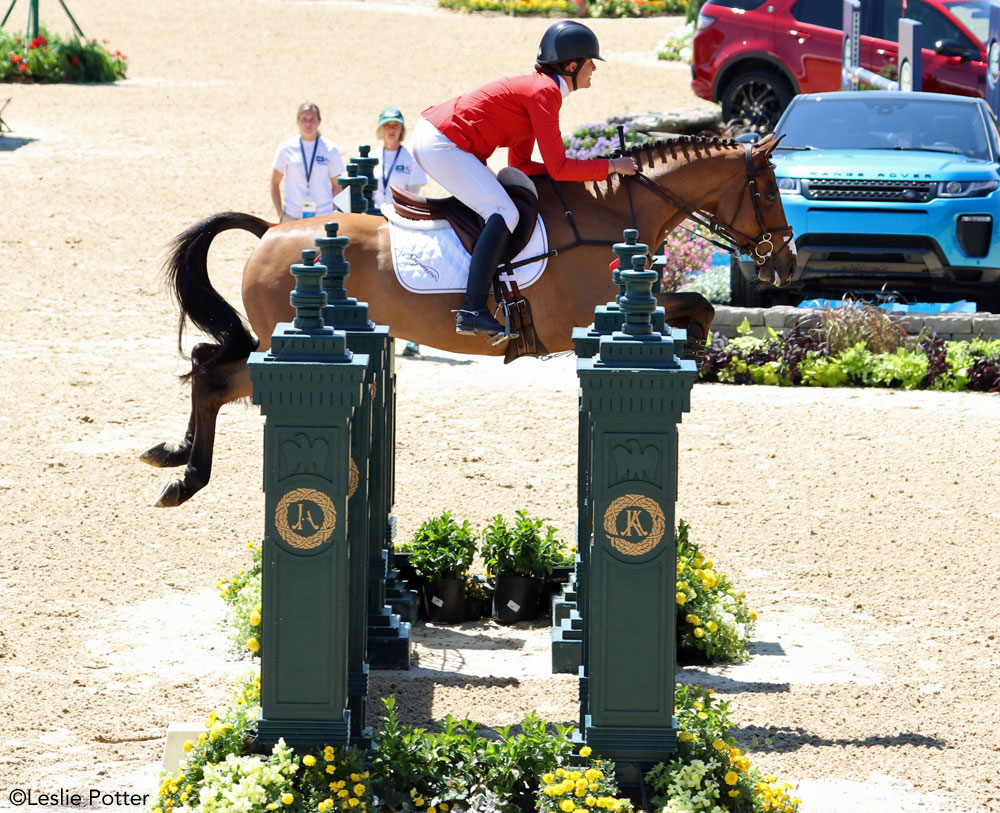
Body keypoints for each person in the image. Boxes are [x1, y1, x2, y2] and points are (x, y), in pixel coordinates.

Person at [412, 20, 637, 340]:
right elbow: (558, 167)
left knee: (501, 206)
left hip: (442, 140)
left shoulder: (538, 89)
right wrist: (612, 165)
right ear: (571, 66)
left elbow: (520, 163)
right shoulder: (545, 92)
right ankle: (472, 309)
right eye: (590, 63)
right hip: (443, 143)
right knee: (504, 212)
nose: (594, 70)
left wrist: (578, 175)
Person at [373, 107, 427, 358]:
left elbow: (415, 195)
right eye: (387, 125)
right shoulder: (372, 157)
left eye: (395, 125)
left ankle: (414, 339)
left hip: (400, 223)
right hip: (373, 225)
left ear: (401, 129)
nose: (391, 129)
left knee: (408, 277)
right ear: (381, 129)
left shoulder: (410, 159)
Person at [271, 102, 345, 222]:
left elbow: (337, 184)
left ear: (319, 121)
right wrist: (280, 213)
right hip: (293, 216)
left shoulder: (330, 148)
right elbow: (274, 182)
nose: (308, 123)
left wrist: (333, 209)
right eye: (304, 119)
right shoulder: (286, 148)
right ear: (297, 121)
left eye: (312, 119)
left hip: (323, 216)